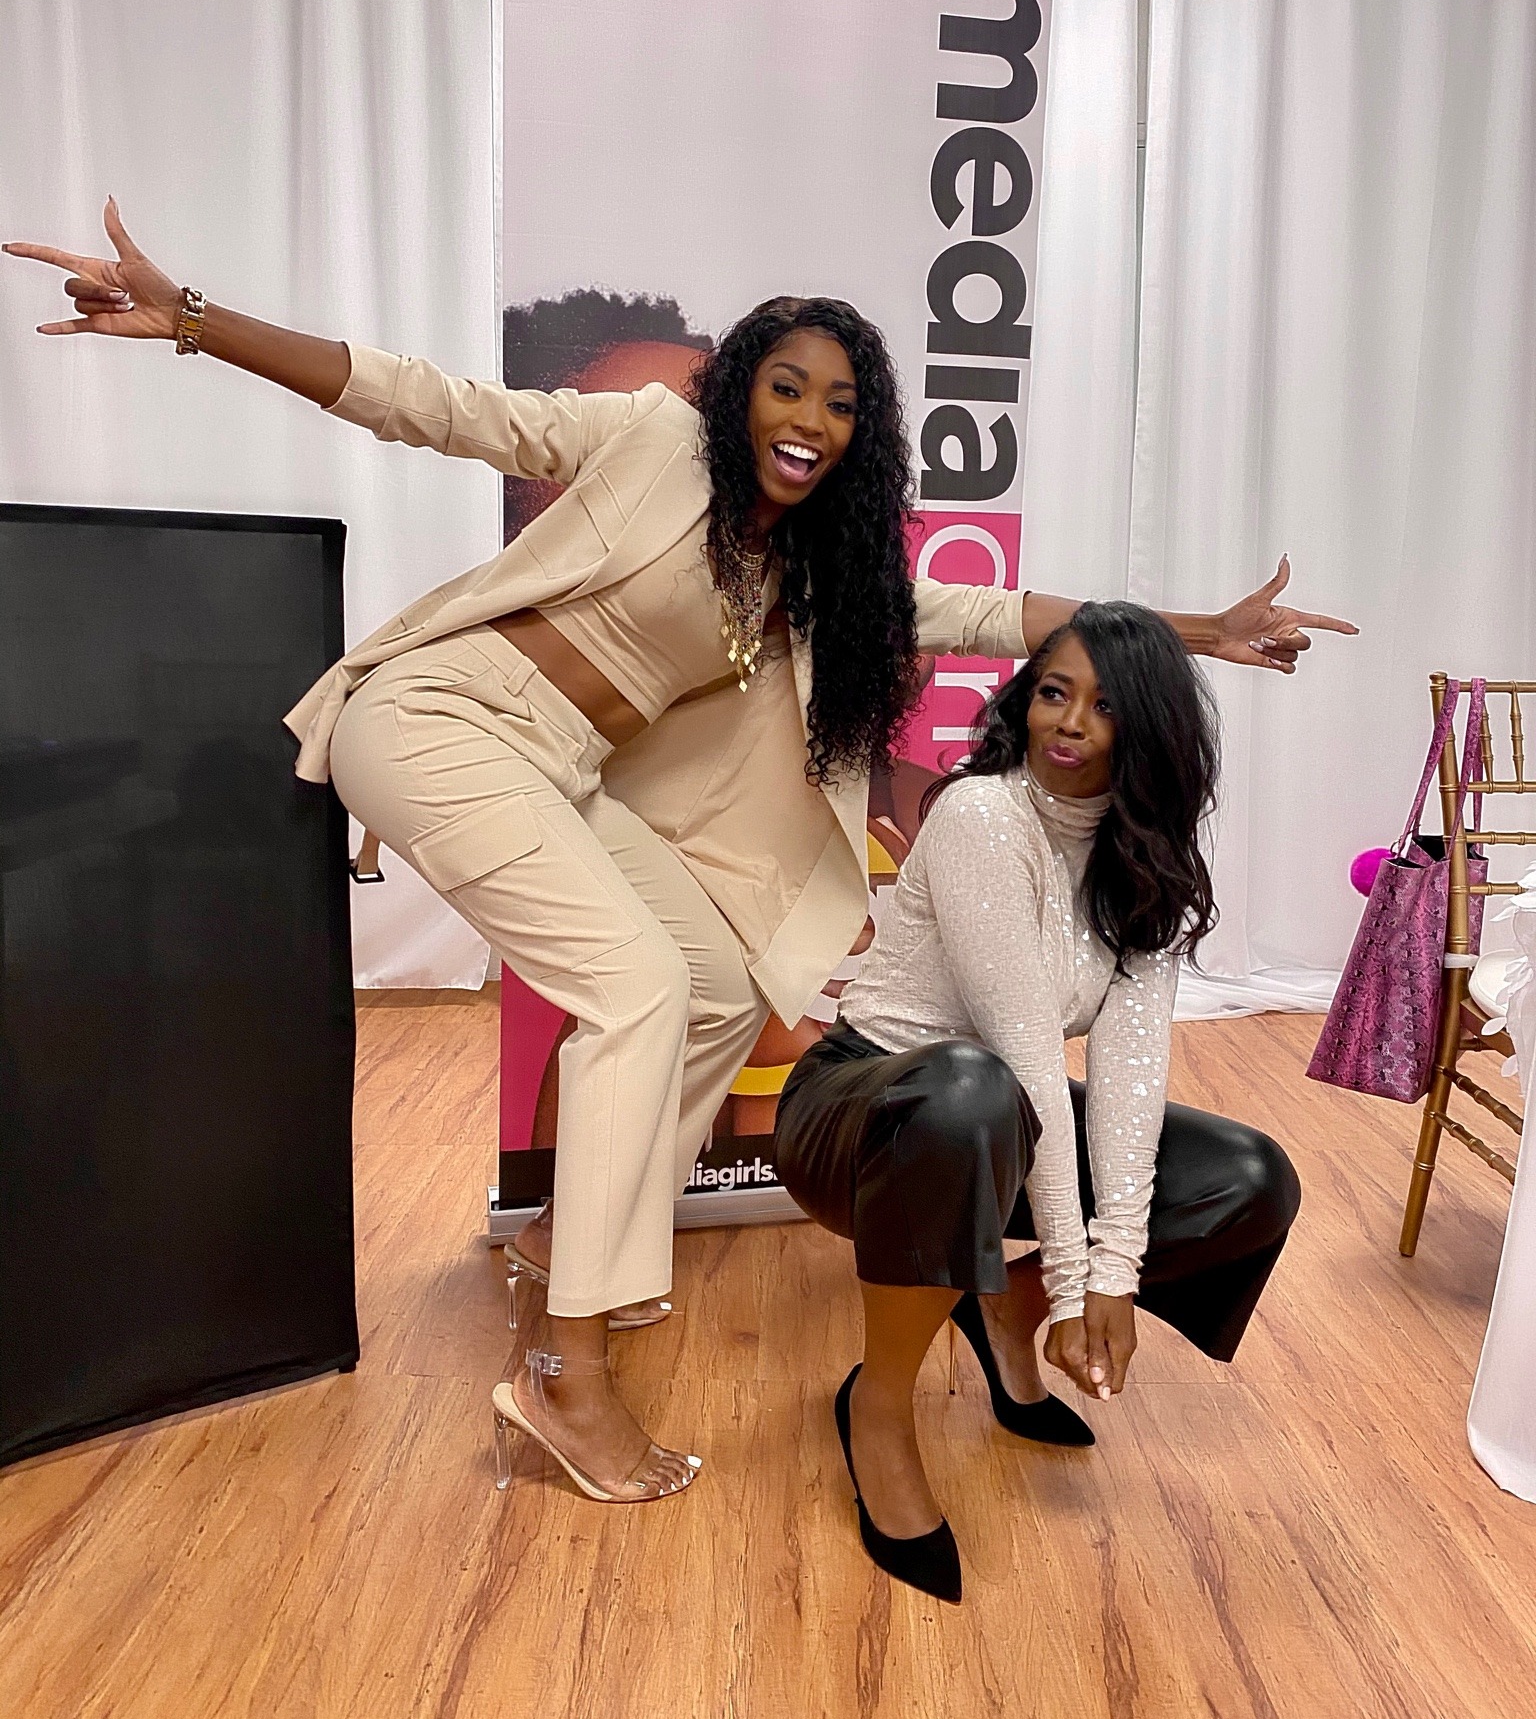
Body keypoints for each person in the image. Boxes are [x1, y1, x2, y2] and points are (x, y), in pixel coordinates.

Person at [4, 204, 1346, 1509]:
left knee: (714, 980)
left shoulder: (818, 578)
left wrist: (1192, 631)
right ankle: (565, 1376)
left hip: (560, 770)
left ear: (862, 436)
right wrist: (193, 318)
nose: (808, 419)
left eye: (840, 405)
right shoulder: (652, 441)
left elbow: (994, 610)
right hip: (441, 716)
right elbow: (433, 404)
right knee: (637, 986)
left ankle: (566, 1248)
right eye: (786, 386)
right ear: (740, 391)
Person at [774, 603, 1302, 1602]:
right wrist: (1074, 1282)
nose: (1070, 722)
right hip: (858, 1108)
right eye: (1055, 692)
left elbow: (1130, 1076)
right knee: (973, 1088)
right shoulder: (983, 817)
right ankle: (878, 1404)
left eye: (1104, 706)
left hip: (990, 1119)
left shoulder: (1146, 860)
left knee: (1247, 1178)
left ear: (1147, 730)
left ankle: (1002, 1315)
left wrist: (1114, 1274)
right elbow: (1020, 1054)